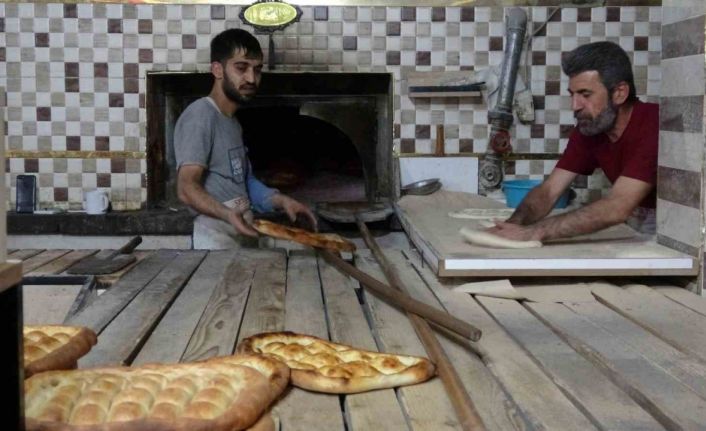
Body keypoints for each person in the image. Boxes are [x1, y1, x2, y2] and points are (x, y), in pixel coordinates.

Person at [489, 41, 657, 242]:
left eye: (585, 95)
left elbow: (617, 207)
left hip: (674, 225)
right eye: (573, 95)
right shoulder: (591, 128)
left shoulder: (654, 126)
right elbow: (549, 191)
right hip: (635, 221)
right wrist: (512, 226)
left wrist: (534, 232)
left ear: (620, 93)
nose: (575, 106)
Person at [174, 28, 317, 249]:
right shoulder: (200, 115)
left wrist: (282, 201)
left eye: (257, 70)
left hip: (242, 226)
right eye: (241, 68)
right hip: (215, 233)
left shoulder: (233, 123)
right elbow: (186, 187)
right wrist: (227, 214)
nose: (251, 78)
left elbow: (245, 182)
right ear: (217, 69)